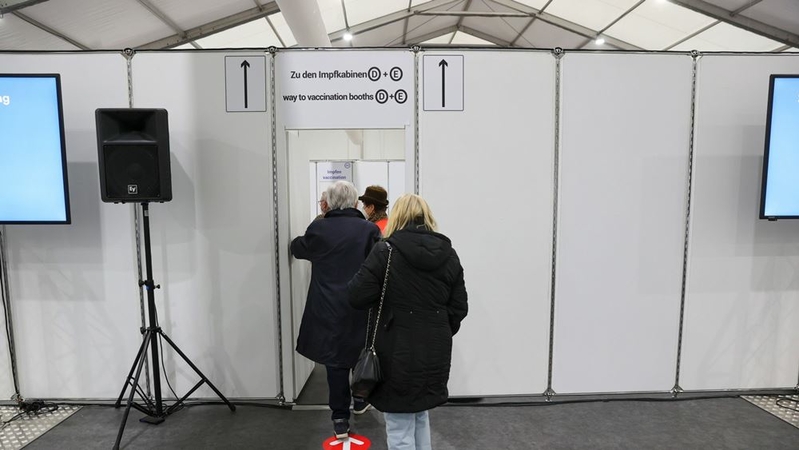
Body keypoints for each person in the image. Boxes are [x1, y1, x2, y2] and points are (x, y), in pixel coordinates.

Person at [348, 194, 468, 450]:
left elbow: (356, 295)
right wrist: (438, 330)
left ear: (398, 217)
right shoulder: (449, 254)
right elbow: (459, 308)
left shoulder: (385, 251)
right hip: (435, 349)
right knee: (420, 415)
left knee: (400, 425)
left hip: (396, 349)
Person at [291, 181, 381, 439]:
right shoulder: (369, 230)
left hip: (328, 305)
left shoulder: (319, 228)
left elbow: (298, 248)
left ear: (328, 203)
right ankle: (361, 401)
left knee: (335, 362)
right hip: (361, 304)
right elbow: (379, 263)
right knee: (361, 354)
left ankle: (340, 418)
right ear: (355, 203)